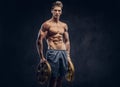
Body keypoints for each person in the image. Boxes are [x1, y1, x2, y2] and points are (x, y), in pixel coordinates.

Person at [36, 1, 71, 87]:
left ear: (61, 12)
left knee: (60, 78)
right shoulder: (46, 25)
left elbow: (67, 41)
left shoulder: (64, 25)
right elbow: (39, 40)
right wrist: (41, 57)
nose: (57, 12)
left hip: (63, 53)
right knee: (53, 78)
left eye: (59, 10)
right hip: (53, 53)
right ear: (51, 11)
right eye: (55, 10)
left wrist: (68, 55)